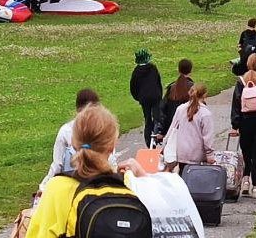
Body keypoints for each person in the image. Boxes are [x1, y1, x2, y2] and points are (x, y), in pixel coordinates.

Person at [27, 104, 148, 238]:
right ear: (113, 145)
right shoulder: (129, 184)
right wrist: (144, 176)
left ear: (74, 143)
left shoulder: (57, 187)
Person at [38, 88, 100, 193]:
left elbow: (57, 164)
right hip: (98, 184)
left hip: (71, 186)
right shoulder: (103, 130)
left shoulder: (66, 130)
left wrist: (44, 187)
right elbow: (111, 160)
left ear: (77, 108)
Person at [231, 53, 256, 199]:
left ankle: (245, 180)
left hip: (244, 121)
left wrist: (235, 124)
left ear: (247, 64)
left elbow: (235, 104)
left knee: (246, 151)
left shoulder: (241, 81)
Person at [166, 84, 215, 171]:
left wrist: (165, 145)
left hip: (181, 152)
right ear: (204, 95)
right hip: (197, 154)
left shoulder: (180, 109)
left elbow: (172, 128)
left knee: (183, 175)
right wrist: (210, 154)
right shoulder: (205, 114)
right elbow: (207, 137)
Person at [129, 49, 162, 147]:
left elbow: (133, 87)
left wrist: (138, 98)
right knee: (157, 116)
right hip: (155, 96)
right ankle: (157, 133)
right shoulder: (153, 68)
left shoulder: (136, 72)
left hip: (144, 98)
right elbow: (158, 82)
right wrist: (159, 94)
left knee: (147, 118)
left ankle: (149, 141)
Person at [155, 59, 194, 142]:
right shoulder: (193, 89)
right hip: (189, 129)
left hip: (172, 128)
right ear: (191, 70)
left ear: (178, 70)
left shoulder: (172, 88)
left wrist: (161, 131)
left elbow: (163, 110)